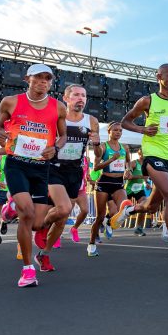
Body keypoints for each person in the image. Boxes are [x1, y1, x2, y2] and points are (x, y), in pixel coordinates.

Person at [114, 64, 168, 269]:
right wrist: (142, 129)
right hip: (152, 155)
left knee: (151, 206)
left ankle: (128, 210)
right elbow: (125, 122)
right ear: (159, 77)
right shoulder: (148, 100)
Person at [0, 64, 67, 287]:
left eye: (48, 79)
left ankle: (11, 209)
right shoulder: (11, 101)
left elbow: (63, 136)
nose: (44, 82)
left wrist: (55, 148)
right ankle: (27, 269)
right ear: (28, 79)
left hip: (40, 167)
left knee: (36, 224)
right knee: (27, 213)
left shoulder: (58, 107)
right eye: (39, 77)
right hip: (16, 163)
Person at [34, 84, 99, 270]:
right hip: (53, 168)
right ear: (66, 98)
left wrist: (97, 145)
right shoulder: (55, 118)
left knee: (62, 220)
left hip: (75, 171)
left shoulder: (91, 121)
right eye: (76, 95)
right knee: (64, 208)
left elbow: (99, 153)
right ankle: (42, 227)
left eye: (84, 96)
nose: (81, 99)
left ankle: (44, 254)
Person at [86, 123, 129, 255]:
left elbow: (127, 163)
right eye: (115, 130)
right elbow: (96, 167)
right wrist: (110, 160)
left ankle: (109, 222)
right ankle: (91, 244)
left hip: (118, 182)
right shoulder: (103, 147)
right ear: (109, 131)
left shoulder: (125, 147)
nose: (118, 132)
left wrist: (128, 170)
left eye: (120, 131)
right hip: (104, 182)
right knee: (99, 217)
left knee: (125, 208)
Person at [125, 148, 149, 235]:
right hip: (129, 189)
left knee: (144, 206)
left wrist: (146, 183)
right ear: (139, 154)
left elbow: (145, 177)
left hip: (139, 189)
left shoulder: (146, 164)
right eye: (142, 153)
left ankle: (138, 228)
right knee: (119, 208)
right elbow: (129, 177)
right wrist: (141, 177)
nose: (144, 155)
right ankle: (108, 221)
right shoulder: (134, 163)